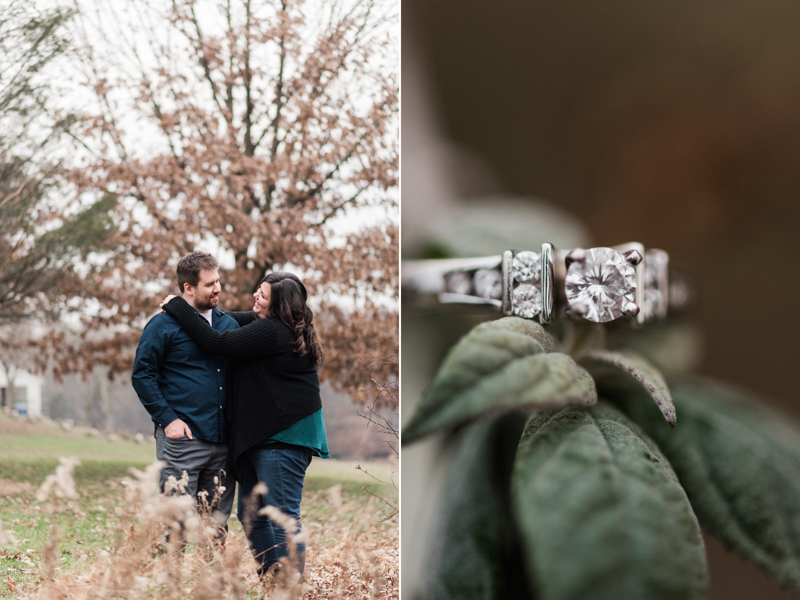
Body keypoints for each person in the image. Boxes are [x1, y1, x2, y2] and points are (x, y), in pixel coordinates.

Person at [160, 271, 329, 578]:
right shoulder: (271, 325)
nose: (255, 297)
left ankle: (289, 587)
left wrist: (177, 307)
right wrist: (196, 308)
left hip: (284, 438)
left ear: (277, 306)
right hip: (264, 438)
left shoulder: (274, 331)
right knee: (251, 515)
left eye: (262, 296)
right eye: (257, 291)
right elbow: (224, 318)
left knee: (281, 517)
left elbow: (215, 340)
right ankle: (273, 579)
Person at [132, 251, 239, 533]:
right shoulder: (162, 325)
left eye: (218, 281)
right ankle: (173, 578)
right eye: (209, 284)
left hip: (223, 444)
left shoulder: (229, 325)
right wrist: (168, 420)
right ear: (188, 289)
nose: (217, 288)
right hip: (182, 441)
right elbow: (142, 375)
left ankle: (213, 578)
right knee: (175, 524)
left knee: (216, 526)